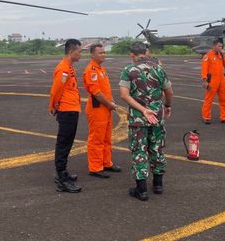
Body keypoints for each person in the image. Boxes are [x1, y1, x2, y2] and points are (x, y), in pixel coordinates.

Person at [119, 41, 173, 201]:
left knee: (139, 150)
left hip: (138, 119)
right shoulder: (158, 69)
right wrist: (167, 106)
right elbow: (169, 91)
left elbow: (124, 94)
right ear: (146, 52)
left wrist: (142, 109)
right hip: (157, 116)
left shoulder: (128, 70)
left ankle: (141, 189)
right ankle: (158, 185)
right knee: (157, 148)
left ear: (132, 55)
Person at [49, 39, 82, 193]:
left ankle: (63, 172)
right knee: (63, 143)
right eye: (79, 51)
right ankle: (61, 178)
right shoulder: (63, 69)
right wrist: (53, 105)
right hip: (67, 110)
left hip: (72, 109)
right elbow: (56, 90)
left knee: (68, 142)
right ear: (71, 52)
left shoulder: (69, 67)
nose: (80, 54)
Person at [82, 44, 120, 179]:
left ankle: (106, 162)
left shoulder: (101, 69)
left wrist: (111, 102)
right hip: (97, 109)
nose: (103, 55)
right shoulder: (91, 70)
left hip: (106, 107)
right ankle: (95, 167)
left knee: (106, 138)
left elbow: (106, 89)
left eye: (104, 52)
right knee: (97, 139)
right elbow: (97, 93)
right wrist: (110, 104)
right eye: (100, 53)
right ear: (92, 55)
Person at [201, 39, 225, 124]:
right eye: (219, 46)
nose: (220, 48)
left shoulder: (221, 55)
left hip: (222, 79)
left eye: (221, 46)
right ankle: (206, 117)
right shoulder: (208, 56)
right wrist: (204, 80)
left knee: (224, 99)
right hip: (212, 80)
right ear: (214, 46)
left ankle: (224, 117)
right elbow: (204, 69)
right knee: (209, 99)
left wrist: (224, 54)